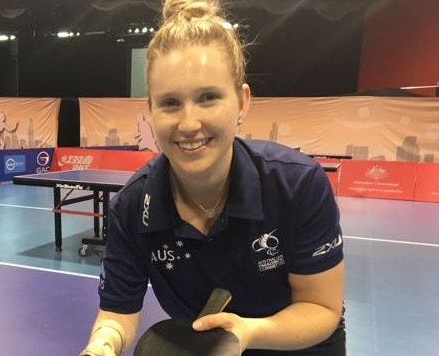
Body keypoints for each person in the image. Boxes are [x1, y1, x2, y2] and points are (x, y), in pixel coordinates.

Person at [79, 0, 345, 355]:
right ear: (150, 112)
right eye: (170, 103)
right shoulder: (131, 207)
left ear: (242, 102)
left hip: (301, 345)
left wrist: (245, 333)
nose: (189, 124)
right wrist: (102, 345)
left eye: (208, 98)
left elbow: (322, 308)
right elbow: (117, 313)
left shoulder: (298, 184)